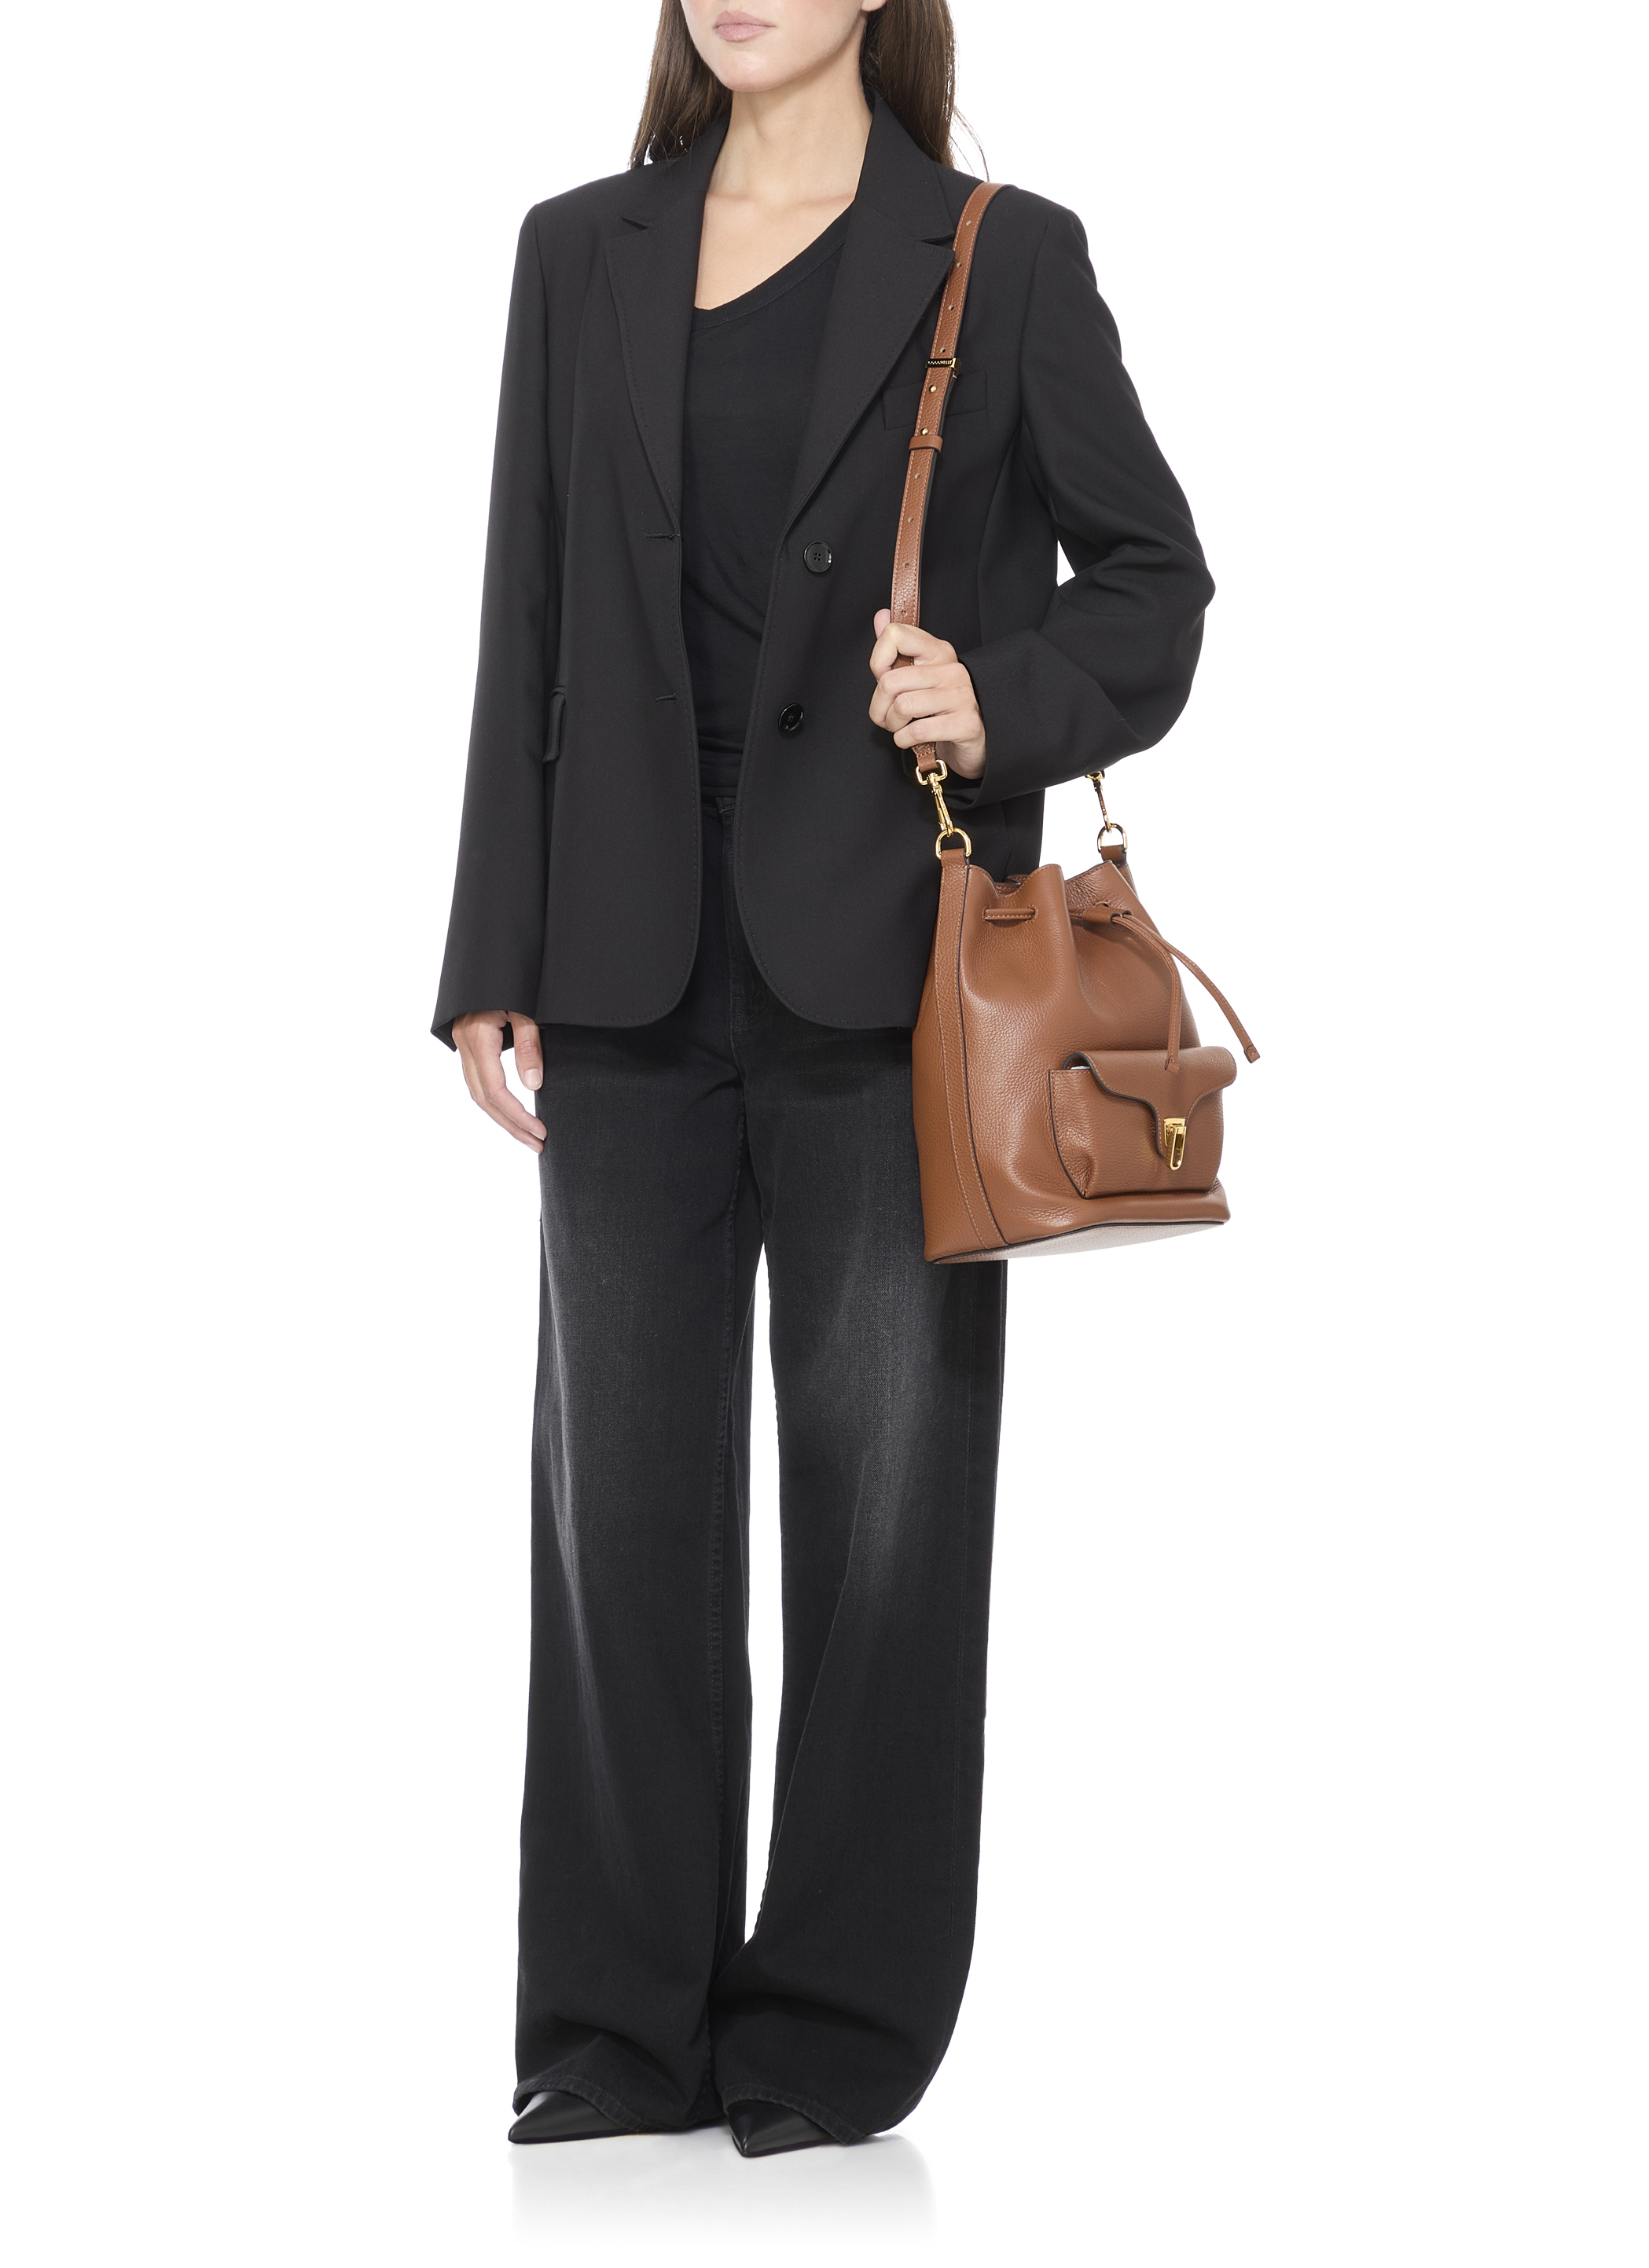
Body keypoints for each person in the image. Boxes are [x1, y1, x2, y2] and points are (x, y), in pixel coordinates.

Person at [433, 0, 1212, 2157]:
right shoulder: (575, 249)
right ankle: (617, 2028)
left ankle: (835, 2029)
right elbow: (523, 614)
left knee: (885, 1512)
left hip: (894, 974)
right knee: (617, 1514)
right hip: (621, 965)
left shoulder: (1000, 252)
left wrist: (997, 695)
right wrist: (488, 951)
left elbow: (1155, 583)